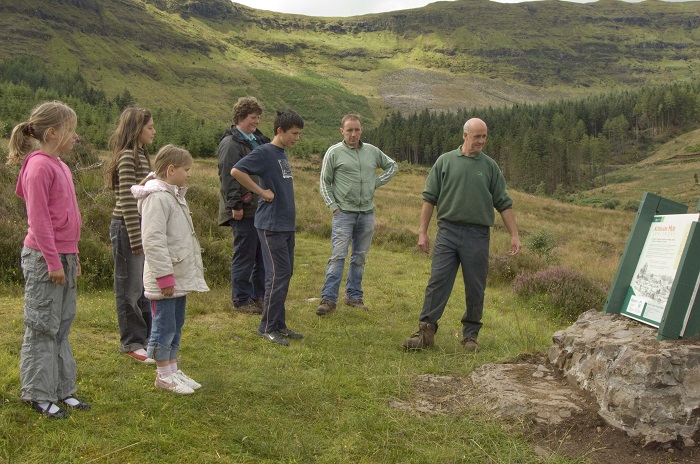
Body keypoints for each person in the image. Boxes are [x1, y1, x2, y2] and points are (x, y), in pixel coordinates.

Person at [403, 118, 522, 352]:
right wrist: (422, 232)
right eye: (477, 136)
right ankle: (425, 333)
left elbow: (503, 203)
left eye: (484, 136)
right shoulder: (445, 162)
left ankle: (470, 337)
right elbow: (429, 198)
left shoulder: (490, 167)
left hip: (477, 235)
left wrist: (515, 235)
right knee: (437, 282)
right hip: (447, 231)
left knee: (475, 286)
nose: (481, 141)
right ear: (465, 135)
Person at [9, 100, 89, 418]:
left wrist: (74, 255)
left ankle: (61, 389)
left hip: (66, 256)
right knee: (42, 326)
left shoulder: (62, 165)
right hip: (45, 260)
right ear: (53, 133)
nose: (75, 136)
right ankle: (38, 394)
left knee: (61, 325)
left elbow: (68, 215)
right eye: (71, 130)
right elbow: (39, 219)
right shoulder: (38, 165)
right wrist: (53, 261)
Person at [131, 145, 210, 394]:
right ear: (171, 169)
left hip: (178, 277)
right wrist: (164, 276)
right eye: (186, 170)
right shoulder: (157, 198)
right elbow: (153, 241)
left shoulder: (174, 195)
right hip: (165, 280)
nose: (188, 174)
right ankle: (163, 375)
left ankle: (173, 369)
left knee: (176, 324)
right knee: (163, 326)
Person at [231, 109, 305, 347]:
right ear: (279, 131)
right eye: (293, 133)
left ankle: (279, 324)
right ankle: (266, 327)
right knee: (277, 275)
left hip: (286, 225)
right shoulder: (264, 152)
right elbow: (236, 170)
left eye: (299, 134)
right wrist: (261, 192)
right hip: (271, 225)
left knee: (285, 274)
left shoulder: (281, 153)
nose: (297, 138)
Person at [316, 113, 398, 316]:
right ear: (342, 131)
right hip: (343, 213)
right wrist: (333, 206)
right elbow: (324, 181)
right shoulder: (334, 152)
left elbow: (392, 166)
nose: (353, 134)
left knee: (360, 257)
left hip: (367, 213)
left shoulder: (372, 151)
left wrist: (376, 182)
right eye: (349, 130)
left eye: (357, 129)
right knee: (338, 256)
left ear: (361, 130)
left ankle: (354, 297)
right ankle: (328, 299)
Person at [105, 108, 156, 363]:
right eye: (150, 128)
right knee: (129, 287)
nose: (153, 132)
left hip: (140, 227)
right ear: (137, 130)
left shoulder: (144, 157)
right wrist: (136, 240)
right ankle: (131, 341)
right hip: (127, 228)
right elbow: (127, 200)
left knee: (144, 287)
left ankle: (146, 337)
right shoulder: (127, 157)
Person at [217, 97, 270, 315]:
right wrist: (235, 206)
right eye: (252, 117)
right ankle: (241, 298)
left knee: (260, 255)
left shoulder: (258, 139)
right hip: (244, 209)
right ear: (240, 117)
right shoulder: (231, 144)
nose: (256, 121)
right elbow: (228, 177)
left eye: (258, 117)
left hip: (259, 209)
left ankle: (257, 295)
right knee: (245, 254)